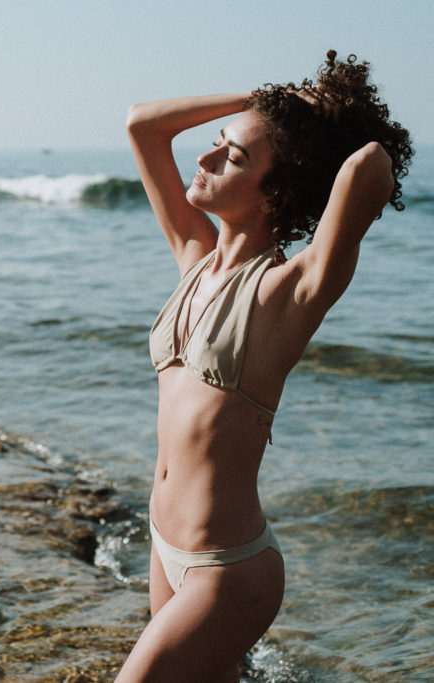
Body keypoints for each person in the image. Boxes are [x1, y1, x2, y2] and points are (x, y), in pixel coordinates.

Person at [116, 51, 413, 682]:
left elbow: (370, 165)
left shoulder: (291, 291)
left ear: (276, 191)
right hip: (165, 548)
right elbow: (143, 125)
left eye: (234, 157)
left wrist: (319, 114)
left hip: (228, 570)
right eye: (216, 144)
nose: (206, 158)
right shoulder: (194, 254)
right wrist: (260, 98)